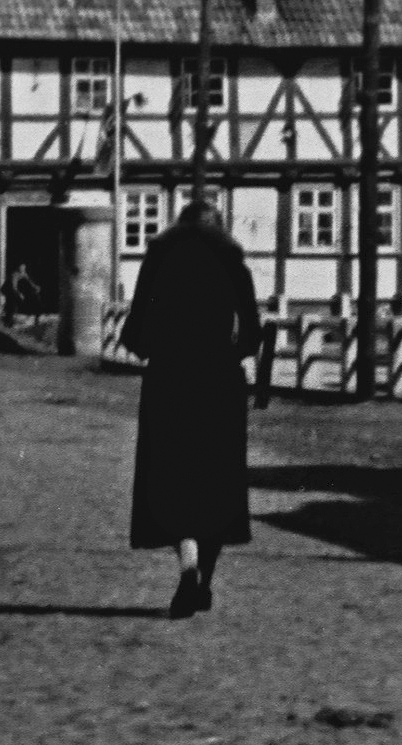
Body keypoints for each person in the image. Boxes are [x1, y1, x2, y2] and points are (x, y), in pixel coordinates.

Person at [119, 193, 258, 620]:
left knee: (172, 478)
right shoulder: (232, 258)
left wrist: (154, 348)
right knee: (216, 482)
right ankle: (205, 581)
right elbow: (252, 333)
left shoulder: (159, 257)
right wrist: (233, 351)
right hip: (219, 381)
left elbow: (135, 331)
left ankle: (188, 566)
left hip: (169, 380)